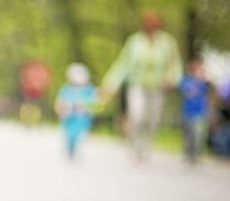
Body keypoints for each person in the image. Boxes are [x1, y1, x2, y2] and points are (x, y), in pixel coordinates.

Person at [100, 10, 183, 162]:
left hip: (158, 86)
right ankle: (134, 146)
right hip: (137, 84)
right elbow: (123, 64)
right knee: (136, 116)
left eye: (154, 23)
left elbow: (175, 64)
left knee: (152, 119)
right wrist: (109, 85)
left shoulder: (167, 42)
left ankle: (146, 147)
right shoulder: (135, 41)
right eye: (148, 23)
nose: (151, 25)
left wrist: (174, 79)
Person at [54, 63, 98, 160]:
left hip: (83, 118)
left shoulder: (89, 89)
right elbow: (60, 101)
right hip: (69, 117)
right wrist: (61, 109)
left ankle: (76, 150)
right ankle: (69, 149)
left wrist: (86, 106)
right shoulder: (66, 89)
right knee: (69, 135)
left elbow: (95, 101)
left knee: (80, 135)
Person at [179, 56, 212, 164]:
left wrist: (203, 80)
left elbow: (208, 93)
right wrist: (196, 83)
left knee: (199, 134)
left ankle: (196, 155)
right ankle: (188, 154)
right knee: (190, 135)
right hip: (188, 113)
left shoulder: (204, 82)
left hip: (201, 112)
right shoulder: (187, 80)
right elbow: (187, 92)